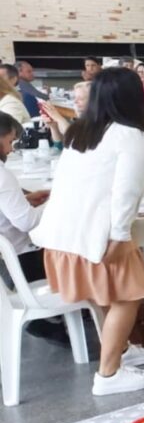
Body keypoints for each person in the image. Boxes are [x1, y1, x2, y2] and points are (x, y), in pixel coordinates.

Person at [30, 67, 144, 394]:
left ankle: (122, 350)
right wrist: (119, 235)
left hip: (62, 237)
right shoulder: (131, 135)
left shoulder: (80, 131)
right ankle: (108, 374)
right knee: (129, 296)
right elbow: (126, 193)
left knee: (109, 295)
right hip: (95, 235)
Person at [0, 112, 56, 340]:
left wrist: (26, 200)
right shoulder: (2, 175)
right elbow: (26, 222)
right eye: (10, 141)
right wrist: (54, 205)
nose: (11, 149)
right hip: (23, 259)